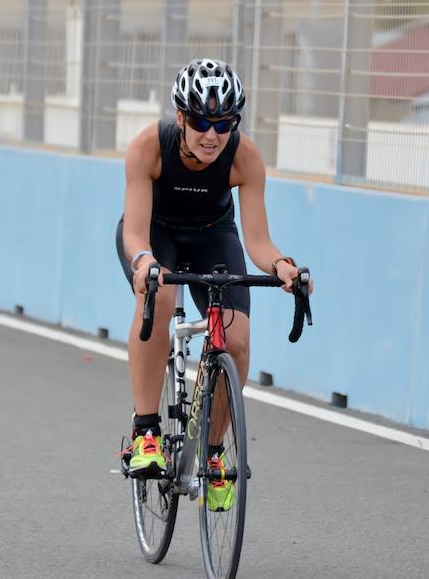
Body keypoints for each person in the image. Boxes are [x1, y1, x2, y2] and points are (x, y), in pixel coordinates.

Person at [115, 58, 312, 510]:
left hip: (212, 237)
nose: (212, 135)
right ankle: (146, 432)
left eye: (223, 123)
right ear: (181, 118)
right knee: (159, 296)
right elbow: (134, 233)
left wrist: (282, 266)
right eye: (202, 121)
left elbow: (258, 240)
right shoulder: (149, 147)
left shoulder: (245, 157)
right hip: (154, 234)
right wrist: (145, 262)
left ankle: (214, 450)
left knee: (237, 341)